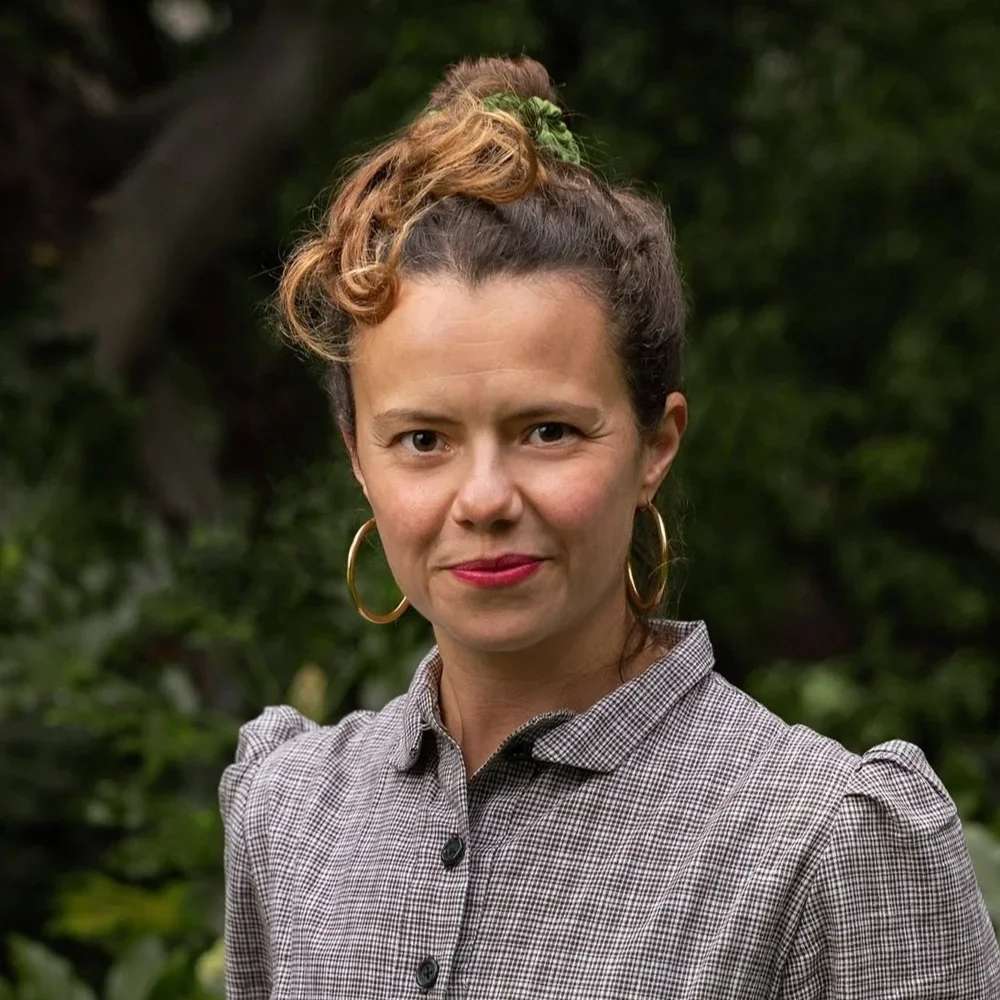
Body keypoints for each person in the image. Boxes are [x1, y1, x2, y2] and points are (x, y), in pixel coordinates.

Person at [219, 56, 1000, 999]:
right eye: (422, 439)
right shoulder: (290, 811)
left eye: (546, 430)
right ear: (358, 458)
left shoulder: (821, 846)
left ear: (655, 445)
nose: (484, 496)